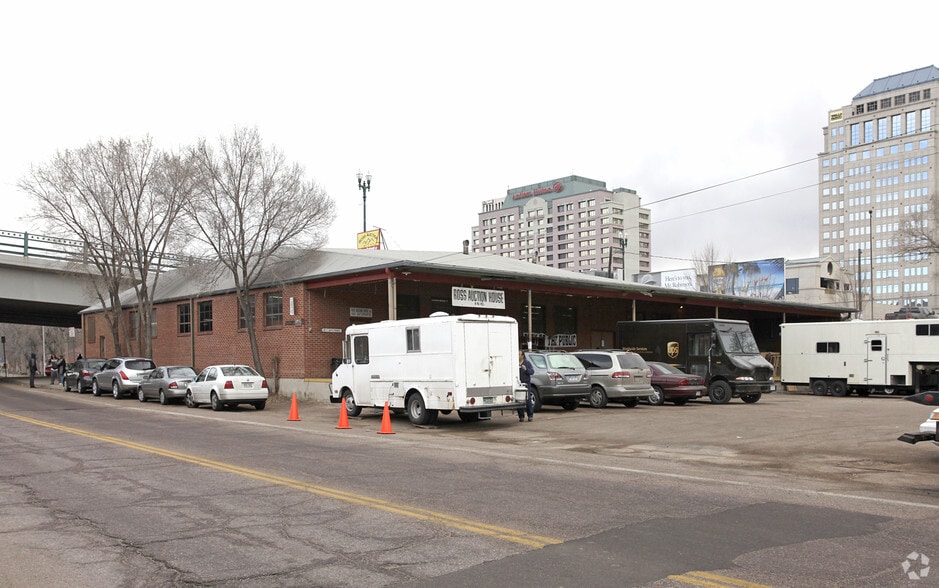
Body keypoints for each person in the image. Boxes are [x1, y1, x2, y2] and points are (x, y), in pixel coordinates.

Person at [517, 351, 534, 422]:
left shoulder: (527, 363)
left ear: (523, 356)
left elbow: (532, 372)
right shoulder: (515, 363)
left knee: (528, 399)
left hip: (526, 384)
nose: (517, 356)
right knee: (518, 400)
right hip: (518, 384)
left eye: (519, 354)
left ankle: (530, 415)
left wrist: (526, 369)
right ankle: (521, 416)